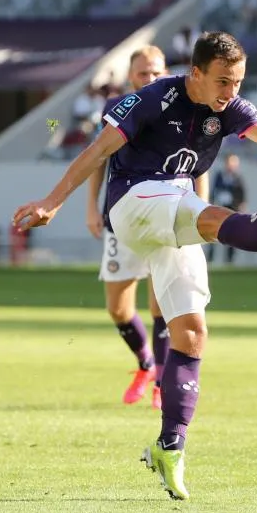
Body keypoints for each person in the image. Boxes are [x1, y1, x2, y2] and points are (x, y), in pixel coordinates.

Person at [12, 31, 257, 501]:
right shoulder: (153, 99)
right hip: (133, 203)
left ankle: (169, 447)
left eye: (239, 81)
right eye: (224, 81)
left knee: (192, 334)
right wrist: (52, 201)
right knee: (208, 218)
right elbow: (97, 151)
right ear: (196, 74)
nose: (232, 92)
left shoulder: (230, 108)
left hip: (174, 205)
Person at [86, 45, 210, 410]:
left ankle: (160, 380)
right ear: (130, 77)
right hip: (123, 216)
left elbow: (199, 166)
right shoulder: (117, 110)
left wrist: (200, 212)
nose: (151, 79)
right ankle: (144, 363)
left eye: (157, 72)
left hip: (167, 216)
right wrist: (91, 208)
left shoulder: (186, 110)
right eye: (143, 73)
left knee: (163, 305)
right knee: (118, 309)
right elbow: (97, 158)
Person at [208, 153, 246, 264]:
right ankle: (210, 259)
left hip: (232, 209)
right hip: (219, 207)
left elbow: (242, 195)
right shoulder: (219, 176)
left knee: (232, 234)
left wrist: (241, 208)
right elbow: (213, 191)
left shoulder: (238, 178)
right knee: (213, 232)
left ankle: (229, 260)